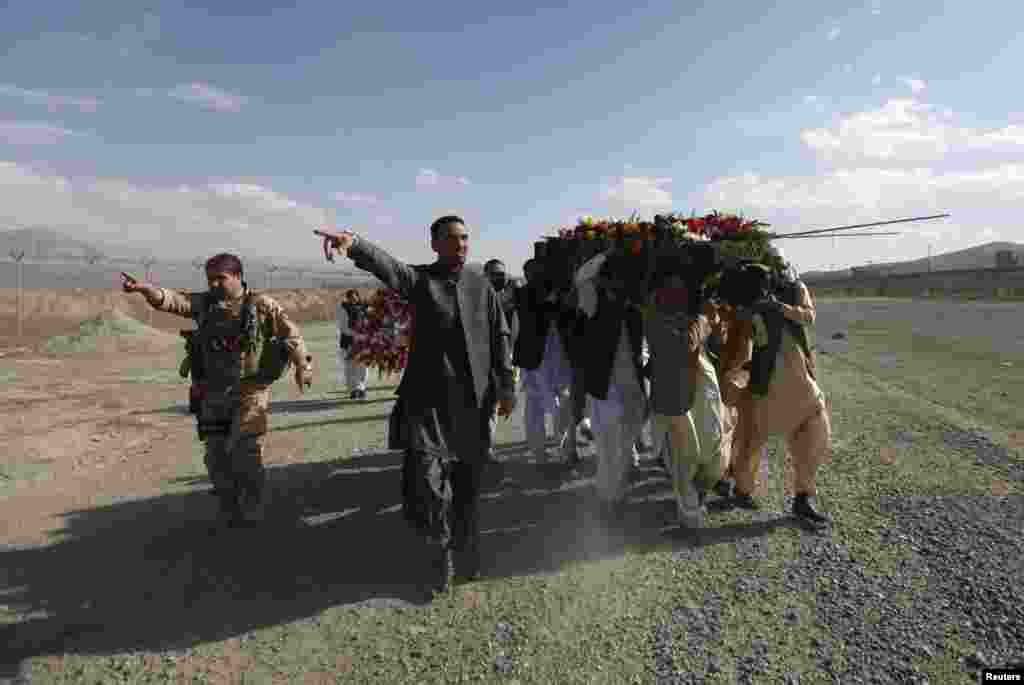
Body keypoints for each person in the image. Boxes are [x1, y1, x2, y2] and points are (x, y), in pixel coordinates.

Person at [315, 217, 516, 594]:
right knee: (426, 483)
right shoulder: (421, 281)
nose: (461, 245)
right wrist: (355, 243)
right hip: (427, 403)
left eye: (465, 238)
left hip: (473, 403)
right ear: (435, 244)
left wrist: (506, 385)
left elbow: (500, 334)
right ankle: (438, 557)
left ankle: (467, 553)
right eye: (452, 239)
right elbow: (389, 267)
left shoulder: (480, 284)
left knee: (468, 488)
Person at [120, 255, 313, 529]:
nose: (213, 283)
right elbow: (174, 301)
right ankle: (230, 504)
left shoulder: (262, 305)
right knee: (216, 456)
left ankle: (252, 503)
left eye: (219, 278)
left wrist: (302, 365)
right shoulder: (205, 303)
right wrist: (145, 289)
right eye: (209, 278)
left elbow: (291, 335)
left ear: (237, 276)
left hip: (250, 390)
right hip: (213, 392)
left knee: (245, 450)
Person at [720, 261, 831, 526]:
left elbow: (808, 316)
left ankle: (803, 497)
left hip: (800, 381)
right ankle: (742, 488)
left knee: (815, 433)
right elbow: (740, 342)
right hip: (765, 385)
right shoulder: (747, 308)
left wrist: (780, 308)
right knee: (752, 438)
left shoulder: (794, 291)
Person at [643, 269, 722, 527]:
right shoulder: (655, 316)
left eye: (681, 288)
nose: (676, 293)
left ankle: (693, 498)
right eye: (671, 288)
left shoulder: (686, 313)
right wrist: (703, 318)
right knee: (685, 454)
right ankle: (689, 513)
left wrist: (712, 318)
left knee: (708, 447)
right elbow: (684, 343)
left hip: (699, 390)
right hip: (673, 397)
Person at [575, 253, 648, 524]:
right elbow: (581, 279)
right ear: (604, 281)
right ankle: (609, 497)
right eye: (612, 278)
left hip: (633, 387)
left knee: (626, 440)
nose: (617, 284)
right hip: (604, 387)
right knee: (607, 444)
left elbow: (642, 347)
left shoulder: (634, 309)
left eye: (621, 279)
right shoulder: (594, 304)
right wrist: (607, 252)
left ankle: (616, 488)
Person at [514, 258, 575, 463]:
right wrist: (552, 299)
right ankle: (540, 450)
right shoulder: (523, 294)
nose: (535, 276)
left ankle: (562, 446)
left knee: (560, 401)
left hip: (556, 354)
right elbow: (536, 315)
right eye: (531, 273)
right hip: (535, 358)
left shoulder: (554, 293)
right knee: (536, 403)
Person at [483, 259, 521, 459]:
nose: (500, 277)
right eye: (495, 273)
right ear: (486, 275)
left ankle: (485, 445)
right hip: (484, 358)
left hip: (508, 356)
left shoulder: (513, 297)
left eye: (502, 273)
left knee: (500, 401)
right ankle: (485, 447)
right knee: (488, 403)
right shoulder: (478, 297)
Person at [337, 289, 370, 399]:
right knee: (350, 367)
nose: (353, 298)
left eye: (355, 296)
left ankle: (361, 388)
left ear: (358, 296)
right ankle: (353, 389)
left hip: (363, 342)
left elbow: (370, 321)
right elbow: (343, 327)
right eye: (350, 296)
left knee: (363, 367)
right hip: (348, 342)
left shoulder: (364, 307)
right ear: (347, 298)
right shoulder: (343, 308)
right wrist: (356, 334)